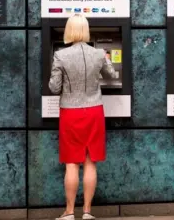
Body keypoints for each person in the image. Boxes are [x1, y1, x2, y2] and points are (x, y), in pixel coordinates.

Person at [49, 14, 116, 220]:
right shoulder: (98, 54)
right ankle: (87, 211)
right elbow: (112, 75)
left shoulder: (60, 56)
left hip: (70, 112)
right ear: (86, 31)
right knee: (90, 162)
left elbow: (54, 87)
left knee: (71, 163)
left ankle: (69, 212)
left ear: (69, 30)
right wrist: (106, 61)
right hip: (94, 111)